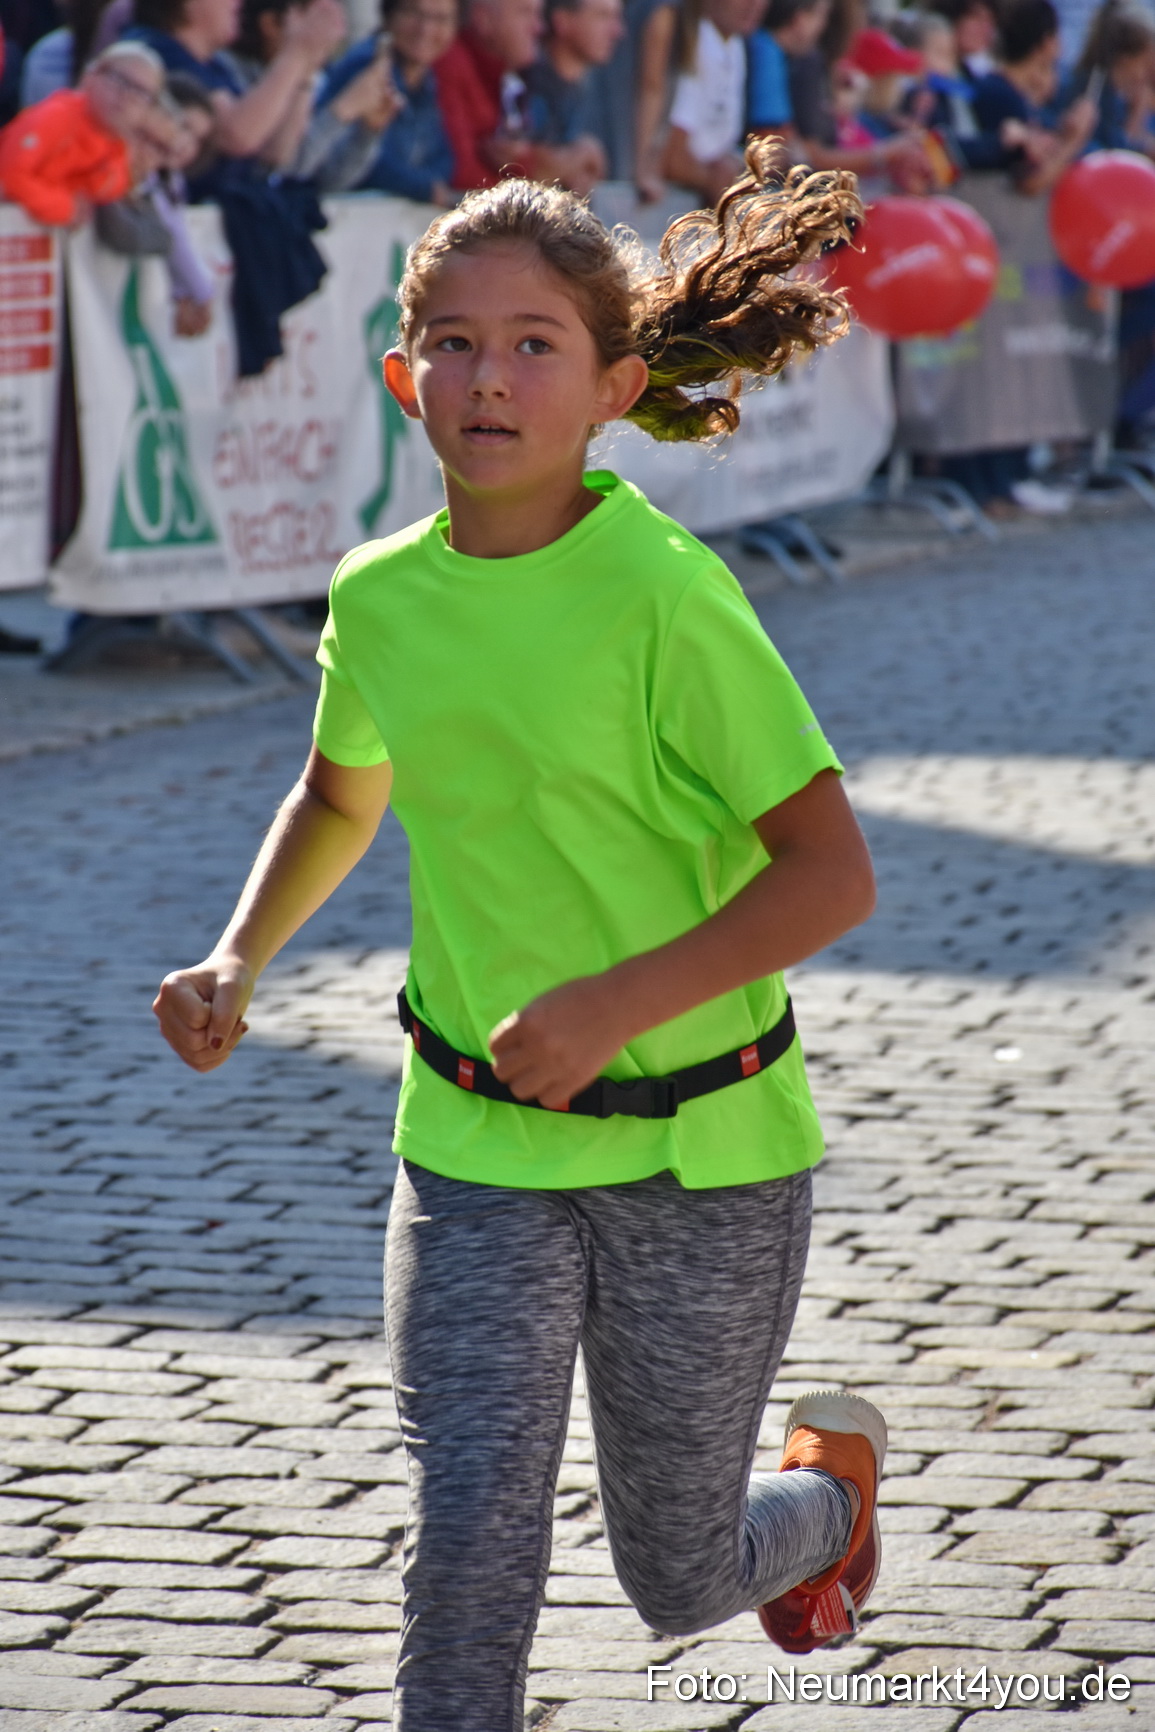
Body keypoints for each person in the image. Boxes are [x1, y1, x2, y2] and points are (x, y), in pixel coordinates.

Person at [152, 138, 889, 1732]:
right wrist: (237, 957)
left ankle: (824, 1502)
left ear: (614, 384)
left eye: (534, 346)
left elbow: (829, 877)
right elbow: (341, 796)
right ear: (405, 376)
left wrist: (618, 1005)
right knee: (471, 1539)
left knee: (680, 1570)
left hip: (698, 1149)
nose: (490, 380)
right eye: (459, 348)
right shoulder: (380, 595)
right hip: (472, 1150)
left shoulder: (664, 597)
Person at [223, 0, 402, 190]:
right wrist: (342, 110)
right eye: (314, 15)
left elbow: (328, 178)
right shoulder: (233, 76)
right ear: (270, 24)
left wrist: (368, 131)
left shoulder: (315, 76)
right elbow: (287, 170)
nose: (332, 30)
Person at [0, 37, 174, 222]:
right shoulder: (57, 116)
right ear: (90, 75)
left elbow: (98, 197)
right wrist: (66, 208)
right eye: (120, 80)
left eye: (141, 92)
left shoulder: (120, 146)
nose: (127, 96)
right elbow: (9, 177)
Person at [436, 0, 602, 190]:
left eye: (538, 15)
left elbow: (540, 163)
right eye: (525, 13)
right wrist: (535, 178)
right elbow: (460, 176)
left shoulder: (514, 76)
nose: (538, 28)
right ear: (484, 19)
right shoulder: (452, 65)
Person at [320, 0, 458, 205]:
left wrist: (429, 186)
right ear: (388, 16)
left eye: (440, 19)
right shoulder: (367, 67)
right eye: (413, 13)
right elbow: (362, 163)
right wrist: (424, 189)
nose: (425, 29)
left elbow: (442, 157)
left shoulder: (427, 80)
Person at [663, 0, 766, 203]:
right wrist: (715, 178)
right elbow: (672, 161)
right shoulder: (696, 41)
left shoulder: (735, 45)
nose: (754, 4)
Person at [523, 0, 622, 194]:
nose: (617, 31)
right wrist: (584, 153)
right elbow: (527, 169)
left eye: (616, 17)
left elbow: (594, 172)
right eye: (602, 16)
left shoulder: (594, 90)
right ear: (563, 21)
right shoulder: (527, 84)